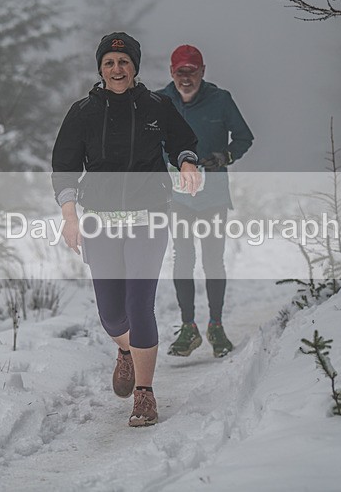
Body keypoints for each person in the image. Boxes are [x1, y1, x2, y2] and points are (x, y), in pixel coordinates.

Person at [52, 32, 200, 427]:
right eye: (109, 63)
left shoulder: (157, 106)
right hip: (99, 219)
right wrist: (69, 215)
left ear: (134, 66)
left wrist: (186, 163)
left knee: (139, 304)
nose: (117, 69)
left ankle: (145, 393)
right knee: (111, 314)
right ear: (101, 70)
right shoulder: (83, 112)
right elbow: (65, 165)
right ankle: (127, 351)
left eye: (123, 62)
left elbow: (183, 140)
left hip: (148, 216)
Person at [159, 44, 255, 358]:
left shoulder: (220, 100)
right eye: (179, 71)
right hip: (177, 195)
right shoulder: (160, 102)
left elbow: (244, 137)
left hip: (213, 193)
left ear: (202, 71)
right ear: (171, 72)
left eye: (191, 71)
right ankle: (188, 327)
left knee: (213, 260)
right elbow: (150, 140)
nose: (185, 78)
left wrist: (224, 156)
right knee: (182, 259)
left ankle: (216, 326)